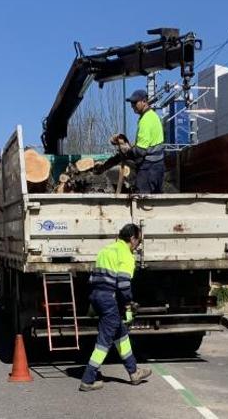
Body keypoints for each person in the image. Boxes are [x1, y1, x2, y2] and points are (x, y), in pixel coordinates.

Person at [79, 223, 152, 391]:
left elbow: (95, 277)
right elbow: (124, 285)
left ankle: (134, 373)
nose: (138, 245)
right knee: (104, 342)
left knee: (121, 335)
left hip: (97, 296)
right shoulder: (126, 255)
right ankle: (88, 379)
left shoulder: (106, 250)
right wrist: (129, 302)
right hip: (109, 300)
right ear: (132, 239)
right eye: (139, 241)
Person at [112, 89, 165, 193]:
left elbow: (140, 151)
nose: (132, 105)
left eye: (135, 102)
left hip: (149, 168)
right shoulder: (152, 116)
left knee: (141, 201)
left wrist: (127, 150)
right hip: (157, 166)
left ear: (144, 101)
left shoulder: (145, 121)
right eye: (131, 103)